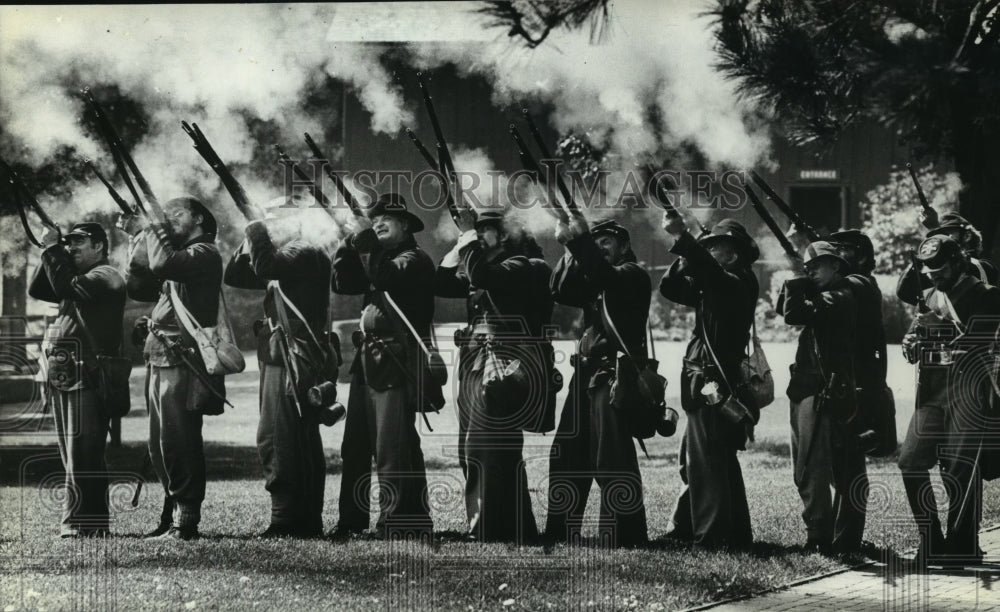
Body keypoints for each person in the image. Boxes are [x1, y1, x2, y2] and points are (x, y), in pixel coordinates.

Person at [435, 209, 552, 543]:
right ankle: (514, 527)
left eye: (485, 230)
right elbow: (441, 282)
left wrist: (469, 240)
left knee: (486, 447)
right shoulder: (485, 267)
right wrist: (463, 241)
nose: (478, 234)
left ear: (505, 235)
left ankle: (487, 527)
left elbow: (484, 276)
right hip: (479, 365)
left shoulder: (521, 265)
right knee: (478, 448)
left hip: (504, 368)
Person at [223, 202, 339, 538]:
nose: (272, 226)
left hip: (292, 358)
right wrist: (251, 233)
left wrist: (257, 230)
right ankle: (305, 517)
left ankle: (288, 519)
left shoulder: (303, 250)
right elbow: (235, 275)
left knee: (276, 436)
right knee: (294, 437)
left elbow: (265, 266)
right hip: (288, 356)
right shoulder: (292, 256)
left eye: (277, 221)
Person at [330, 193, 437, 540]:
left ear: (405, 225)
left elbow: (385, 276)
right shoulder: (377, 257)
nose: (377, 223)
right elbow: (343, 282)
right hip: (368, 363)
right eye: (373, 220)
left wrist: (363, 238)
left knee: (393, 448)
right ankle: (352, 520)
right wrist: (347, 241)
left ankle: (398, 521)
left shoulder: (415, 259)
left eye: (386, 219)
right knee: (356, 447)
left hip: (396, 363)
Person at [545, 216, 650, 548]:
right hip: (586, 374)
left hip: (614, 375)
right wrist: (568, 244)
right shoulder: (598, 276)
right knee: (566, 452)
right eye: (597, 241)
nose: (600, 247)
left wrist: (579, 241)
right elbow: (560, 289)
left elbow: (605, 275)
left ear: (624, 247)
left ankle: (624, 533)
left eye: (606, 242)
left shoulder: (632, 275)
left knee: (612, 456)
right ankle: (561, 529)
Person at [899, 235, 1000, 568]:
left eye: (940, 270)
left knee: (959, 469)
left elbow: (979, 339)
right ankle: (931, 541)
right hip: (931, 390)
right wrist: (911, 342)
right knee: (910, 461)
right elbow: (916, 336)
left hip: (967, 389)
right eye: (929, 271)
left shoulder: (986, 295)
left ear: (958, 263)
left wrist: (937, 327)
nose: (933, 277)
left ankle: (960, 545)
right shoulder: (929, 295)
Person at [126, 196, 223, 540]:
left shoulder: (204, 253)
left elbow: (162, 265)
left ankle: (186, 520)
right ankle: (171, 513)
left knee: (179, 441)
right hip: (160, 354)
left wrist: (152, 227)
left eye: (178, 214)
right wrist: (135, 237)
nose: (170, 221)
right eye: (166, 217)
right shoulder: (179, 257)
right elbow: (138, 283)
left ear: (199, 219)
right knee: (160, 443)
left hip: (181, 357)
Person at [659, 216, 758, 550]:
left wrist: (684, 238)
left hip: (713, 381)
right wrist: (690, 252)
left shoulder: (735, 281)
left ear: (734, 253)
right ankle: (722, 530)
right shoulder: (717, 283)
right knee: (704, 459)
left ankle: (712, 536)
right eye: (711, 247)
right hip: (703, 379)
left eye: (718, 246)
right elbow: (669, 287)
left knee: (708, 462)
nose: (713, 252)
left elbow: (711, 274)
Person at [29, 222, 126, 537]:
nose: (72, 248)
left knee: (82, 451)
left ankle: (75, 523)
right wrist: (53, 252)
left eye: (79, 242)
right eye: (68, 243)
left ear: (99, 246)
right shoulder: (75, 278)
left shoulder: (106, 275)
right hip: (68, 372)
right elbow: (39, 289)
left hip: (89, 372)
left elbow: (66, 288)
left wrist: (53, 249)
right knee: (76, 451)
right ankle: (93, 523)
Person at [778, 240, 867, 554]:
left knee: (811, 469)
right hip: (805, 389)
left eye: (818, 265)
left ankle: (818, 538)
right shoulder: (826, 293)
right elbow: (784, 309)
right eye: (808, 266)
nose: (811, 270)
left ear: (837, 266)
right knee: (804, 469)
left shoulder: (840, 296)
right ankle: (821, 533)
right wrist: (798, 277)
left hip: (820, 392)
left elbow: (793, 314)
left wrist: (795, 280)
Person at [829, 229, 892, 456]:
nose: (836, 255)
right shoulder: (862, 282)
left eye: (842, 250)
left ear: (862, 257)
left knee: (846, 451)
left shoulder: (857, 284)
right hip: (856, 378)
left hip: (856, 380)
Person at [896, 212, 997, 306]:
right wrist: (922, 258)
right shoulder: (939, 272)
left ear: (967, 236)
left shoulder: (985, 267)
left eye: (947, 235)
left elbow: (963, 268)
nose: (940, 241)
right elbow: (905, 292)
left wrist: (935, 229)